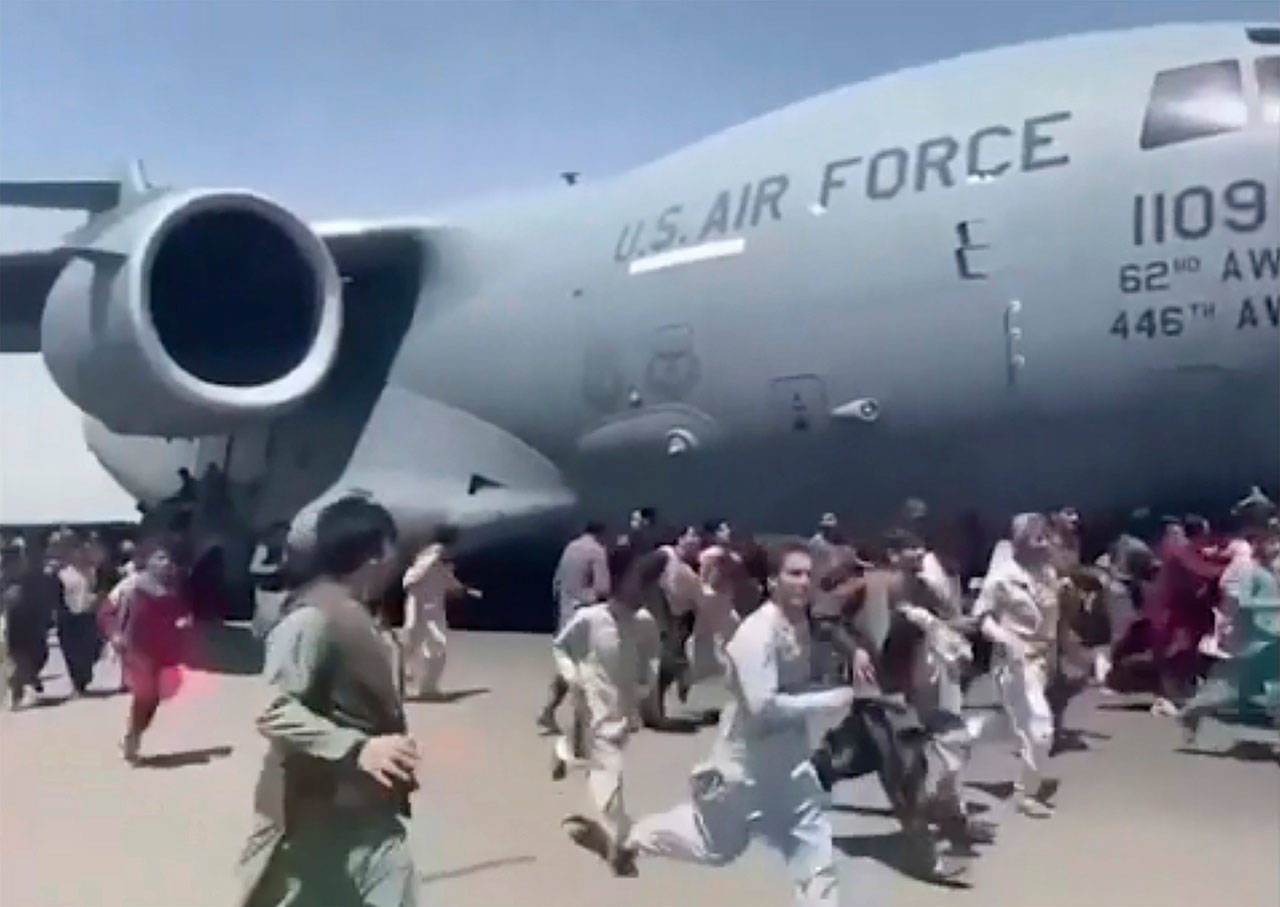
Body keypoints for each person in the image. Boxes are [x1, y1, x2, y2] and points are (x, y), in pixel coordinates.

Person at [624, 543, 852, 907]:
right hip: (743, 771)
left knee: (816, 859)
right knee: (714, 847)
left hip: (789, 771)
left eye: (809, 574)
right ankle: (633, 838)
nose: (804, 582)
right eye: (794, 573)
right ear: (773, 581)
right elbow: (762, 706)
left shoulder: (798, 625)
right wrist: (826, 701)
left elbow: (792, 687)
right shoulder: (756, 634)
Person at [239, 496, 420, 907]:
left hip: (373, 820)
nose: (398, 559)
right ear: (376, 552)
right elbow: (274, 710)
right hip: (313, 825)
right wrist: (358, 748)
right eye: (394, 547)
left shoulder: (360, 616)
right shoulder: (311, 620)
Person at [552, 544, 664, 876]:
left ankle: (563, 751)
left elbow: (652, 656)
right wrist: (574, 680)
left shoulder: (644, 622)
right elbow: (561, 646)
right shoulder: (590, 618)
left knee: (600, 762)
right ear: (618, 580)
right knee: (609, 773)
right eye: (637, 579)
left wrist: (646, 685)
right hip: (592, 707)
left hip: (624, 713)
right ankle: (618, 848)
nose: (645, 587)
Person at [972, 515, 1060, 818]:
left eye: (1047, 536)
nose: (1046, 543)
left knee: (1016, 724)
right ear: (1021, 543)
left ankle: (961, 733)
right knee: (1039, 728)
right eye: (1039, 538)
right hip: (1014, 664)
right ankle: (1027, 794)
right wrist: (1006, 640)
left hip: (1043, 660)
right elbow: (981, 619)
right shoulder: (1002, 578)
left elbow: (1052, 622)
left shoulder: (1048, 574)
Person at [1177, 528, 1280, 742]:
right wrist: (1275, 605)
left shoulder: (1269, 570)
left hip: (1270, 637)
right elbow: (1241, 602)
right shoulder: (1246, 570)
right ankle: (1190, 712)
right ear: (1260, 545)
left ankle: (1191, 712)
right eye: (1272, 543)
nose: (1276, 548)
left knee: (1269, 687)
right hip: (1252, 640)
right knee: (1231, 690)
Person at [118, 535, 193, 761]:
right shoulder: (134, 585)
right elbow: (118, 611)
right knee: (145, 693)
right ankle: (132, 737)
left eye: (168, 559)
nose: (165, 563)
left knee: (154, 698)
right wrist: (117, 635)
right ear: (147, 560)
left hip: (161, 649)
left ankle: (135, 733)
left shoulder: (173, 586)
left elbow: (180, 612)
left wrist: (183, 623)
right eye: (159, 558)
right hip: (137, 648)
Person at [539, 522, 611, 733]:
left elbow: (557, 583)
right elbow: (602, 588)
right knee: (587, 671)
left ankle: (549, 710)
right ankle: (582, 724)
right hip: (585, 616)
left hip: (565, 615)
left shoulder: (570, 548)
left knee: (568, 666)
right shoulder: (597, 551)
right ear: (602, 533)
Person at [400, 525, 480, 701]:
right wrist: (412, 583)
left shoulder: (435, 558)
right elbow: (413, 577)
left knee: (418, 646)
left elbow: (445, 579)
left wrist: (463, 590)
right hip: (424, 609)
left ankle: (418, 687)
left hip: (427, 609)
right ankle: (420, 687)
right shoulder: (434, 555)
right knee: (432, 645)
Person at [56, 533, 103, 696]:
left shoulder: (91, 572)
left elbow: (97, 589)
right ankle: (77, 684)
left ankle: (84, 676)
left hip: (87, 616)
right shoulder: (62, 573)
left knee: (92, 650)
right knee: (71, 652)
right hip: (68, 618)